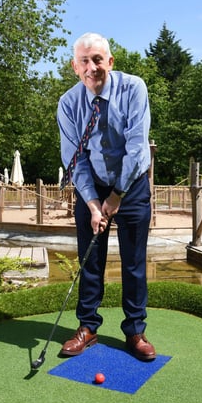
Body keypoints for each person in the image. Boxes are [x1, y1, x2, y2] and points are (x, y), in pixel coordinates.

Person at [57, 32, 155, 361]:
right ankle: (88, 327)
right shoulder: (69, 103)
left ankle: (135, 331)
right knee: (90, 260)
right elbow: (75, 159)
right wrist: (92, 203)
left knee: (134, 264)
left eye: (98, 59)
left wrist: (116, 197)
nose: (92, 67)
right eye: (84, 61)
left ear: (110, 62)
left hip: (132, 184)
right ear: (75, 66)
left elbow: (137, 148)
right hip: (94, 186)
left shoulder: (134, 89)